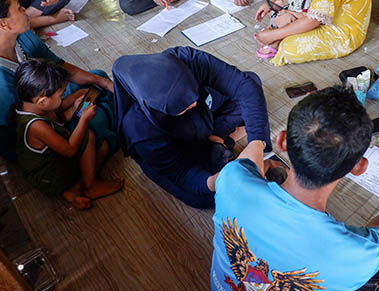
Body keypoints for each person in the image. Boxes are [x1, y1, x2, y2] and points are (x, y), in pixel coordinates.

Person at [210, 86, 379, 291]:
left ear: (282, 141)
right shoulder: (353, 254)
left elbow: (245, 162)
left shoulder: (231, 180)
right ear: (359, 167)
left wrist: (258, 146)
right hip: (336, 267)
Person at [0, 0, 116, 163]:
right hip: (27, 141)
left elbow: (59, 66)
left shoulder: (19, 34)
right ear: (3, 24)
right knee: (96, 119)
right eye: (18, 8)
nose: (25, 9)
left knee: (98, 78)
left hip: (42, 108)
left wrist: (105, 83)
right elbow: (28, 129)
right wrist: (68, 113)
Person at [112, 47, 271, 209]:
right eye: (185, 108)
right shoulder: (139, 128)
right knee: (207, 197)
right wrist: (215, 181)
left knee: (251, 84)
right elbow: (179, 173)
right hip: (174, 151)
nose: (194, 103)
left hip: (206, 114)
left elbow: (244, 86)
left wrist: (256, 142)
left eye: (193, 96)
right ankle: (215, 145)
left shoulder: (186, 60)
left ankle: (216, 138)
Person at [14, 59, 124, 209]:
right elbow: (69, 150)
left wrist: (76, 98)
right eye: (61, 95)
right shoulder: (35, 126)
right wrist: (84, 119)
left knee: (103, 145)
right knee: (88, 135)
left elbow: (59, 115)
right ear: (42, 101)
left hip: (56, 159)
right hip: (50, 177)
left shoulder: (33, 105)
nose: (63, 97)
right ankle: (91, 186)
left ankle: (76, 188)